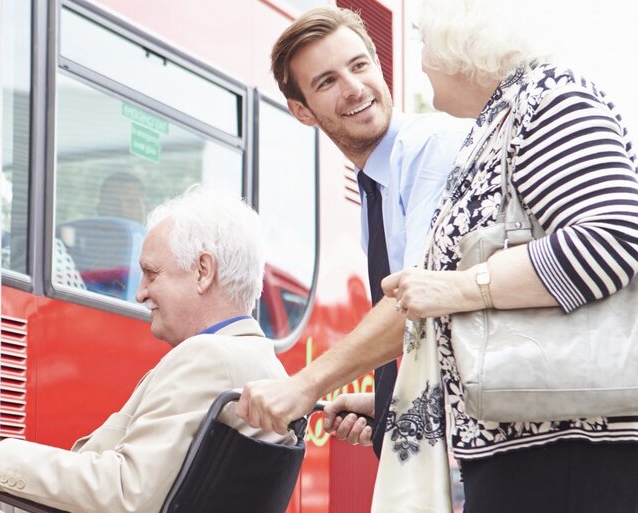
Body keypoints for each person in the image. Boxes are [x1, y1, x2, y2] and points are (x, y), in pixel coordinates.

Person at [367, 0, 638, 510]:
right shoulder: (502, 121)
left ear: (458, 47)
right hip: (535, 448)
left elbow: (612, 237)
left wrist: (454, 288)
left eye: (423, 42)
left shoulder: (551, 98)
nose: (420, 61)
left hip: (571, 450)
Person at [0, 186, 292, 513]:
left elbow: (127, 493)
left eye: (151, 273)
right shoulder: (266, 368)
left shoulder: (207, 358)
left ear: (203, 272)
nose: (140, 292)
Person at [233, 6, 469, 453]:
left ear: (378, 66)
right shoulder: (375, 186)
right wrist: (387, 402)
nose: (354, 88)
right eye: (327, 81)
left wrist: (304, 385)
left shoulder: (428, 150)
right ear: (302, 111)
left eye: (359, 66)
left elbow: (423, 298)